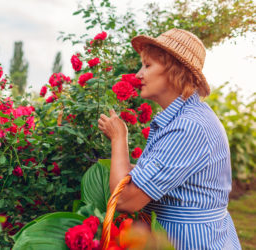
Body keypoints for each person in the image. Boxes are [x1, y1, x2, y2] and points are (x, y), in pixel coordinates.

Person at [98, 28, 241, 249]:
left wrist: (119, 138)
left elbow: (126, 200)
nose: (138, 74)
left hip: (190, 241)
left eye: (147, 65)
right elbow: (160, 175)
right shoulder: (184, 117)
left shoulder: (188, 127)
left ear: (175, 70)